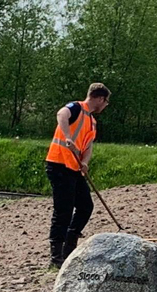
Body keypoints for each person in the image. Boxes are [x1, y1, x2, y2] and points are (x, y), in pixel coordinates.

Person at [44, 83, 109, 268]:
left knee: (85, 206)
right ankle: (56, 257)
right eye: (106, 102)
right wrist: (67, 136)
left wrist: (85, 162)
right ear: (99, 98)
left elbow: (88, 147)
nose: (105, 106)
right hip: (58, 164)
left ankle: (69, 246)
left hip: (74, 167)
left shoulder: (92, 122)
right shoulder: (76, 107)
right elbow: (61, 114)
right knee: (63, 210)